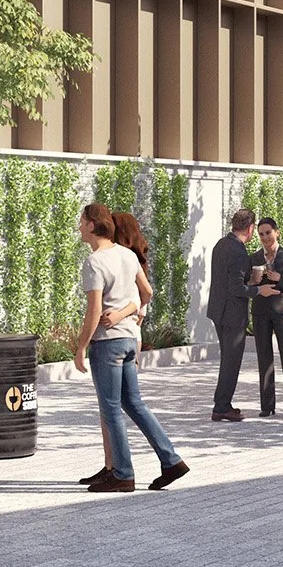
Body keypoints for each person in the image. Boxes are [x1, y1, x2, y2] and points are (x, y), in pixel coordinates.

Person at [75, 204, 189, 492]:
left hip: (108, 343)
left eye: (81, 221)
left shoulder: (94, 262)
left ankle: (123, 474)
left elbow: (94, 310)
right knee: (134, 404)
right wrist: (129, 313)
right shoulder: (127, 254)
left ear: (91, 225)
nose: (79, 227)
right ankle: (171, 460)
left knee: (111, 408)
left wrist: (80, 347)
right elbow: (147, 292)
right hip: (128, 341)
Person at [248, 216, 283, 418]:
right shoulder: (254, 258)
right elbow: (249, 285)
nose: (265, 237)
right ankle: (267, 405)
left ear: (276, 232)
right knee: (264, 357)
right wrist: (254, 281)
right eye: (261, 234)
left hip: (282, 311)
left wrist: (280, 279)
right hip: (260, 311)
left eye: (268, 233)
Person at [208, 206, 255, 421]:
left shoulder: (220, 244)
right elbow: (236, 288)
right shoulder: (238, 251)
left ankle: (222, 402)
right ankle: (222, 406)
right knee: (231, 361)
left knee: (227, 359)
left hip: (218, 311)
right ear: (250, 229)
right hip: (232, 314)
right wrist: (257, 289)